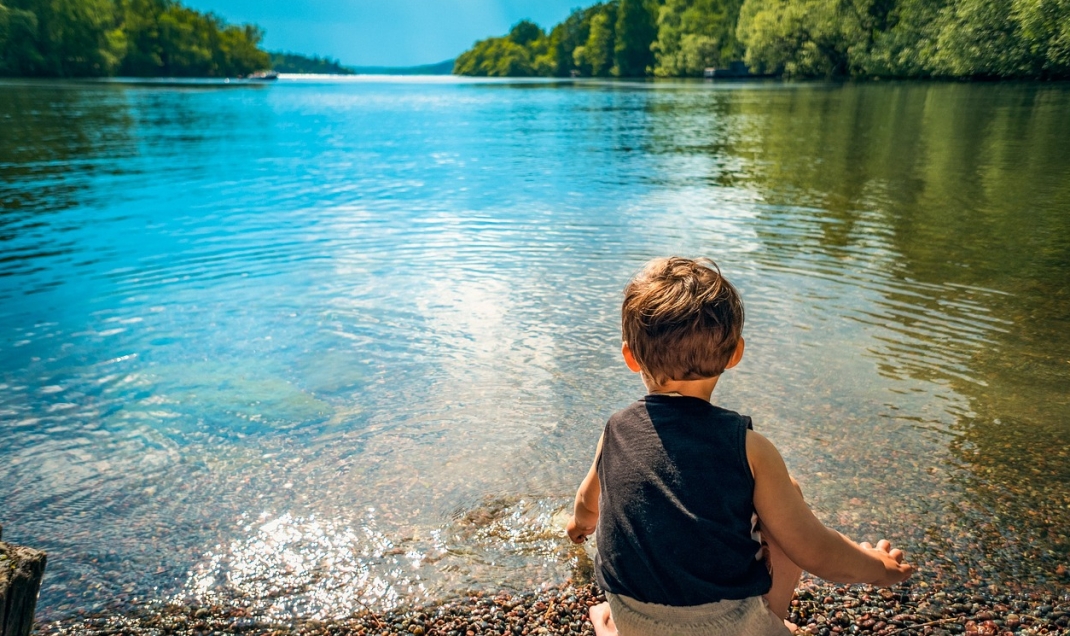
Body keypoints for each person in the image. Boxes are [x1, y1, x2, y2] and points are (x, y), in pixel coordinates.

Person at [566, 257, 913, 636]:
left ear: (630, 356)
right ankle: (772, 621)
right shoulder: (750, 449)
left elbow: (587, 505)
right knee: (787, 497)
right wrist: (879, 568)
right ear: (736, 353)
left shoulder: (614, 430)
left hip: (636, 619)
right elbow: (815, 551)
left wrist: (578, 527)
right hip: (728, 627)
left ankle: (611, 623)